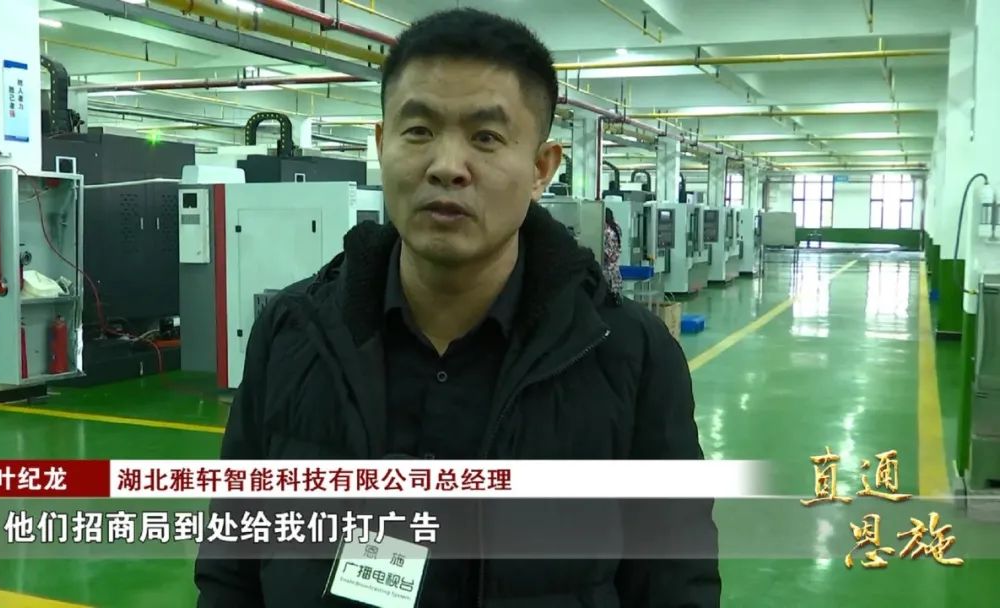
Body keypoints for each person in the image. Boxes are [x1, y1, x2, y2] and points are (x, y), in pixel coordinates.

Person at [195, 7, 719, 607]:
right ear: (381, 144)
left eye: (486, 137)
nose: (446, 166)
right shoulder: (293, 333)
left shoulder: (631, 357)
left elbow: (675, 584)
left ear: (541, 168)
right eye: (418, 131)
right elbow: (232, 563)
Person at [603, 207, 624, 299]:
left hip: (609, 270)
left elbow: (607, 253)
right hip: (615, 269)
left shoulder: (608, 232)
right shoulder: (616, 227)